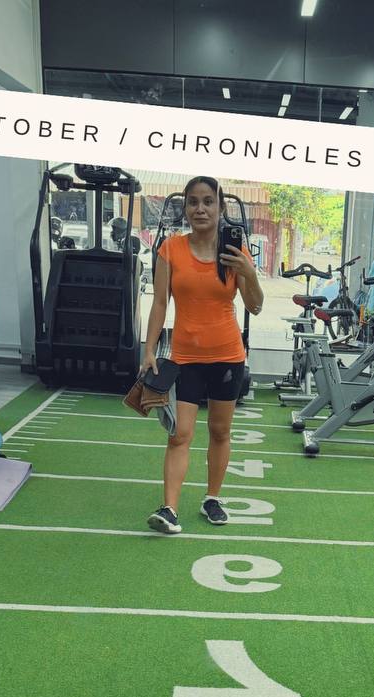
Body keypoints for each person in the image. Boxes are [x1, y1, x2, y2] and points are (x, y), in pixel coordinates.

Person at [140, 175, 264, 533]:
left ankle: (212, 498)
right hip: (185, 359)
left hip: (227, 357)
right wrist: (149, 349)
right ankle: (169, 509)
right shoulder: (170, 250)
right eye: (193, 202)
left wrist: (249, 273)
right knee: (180, 434)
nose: (200, 209)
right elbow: (160, 303)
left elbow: (254, 306)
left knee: (220, 431)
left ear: (220, 207)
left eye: (208, 201)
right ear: (185, 208)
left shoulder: (235, 253)